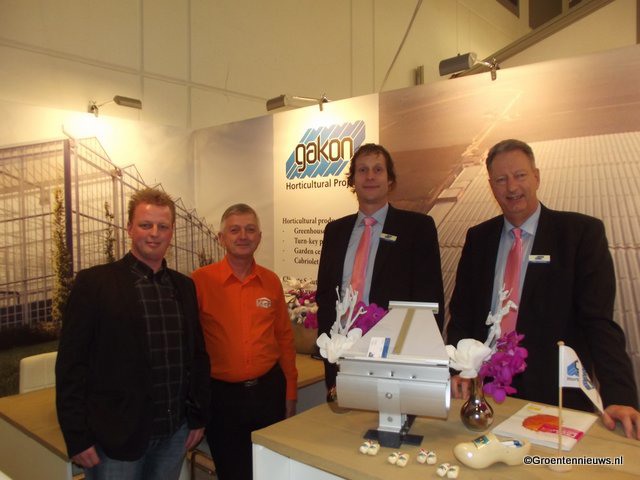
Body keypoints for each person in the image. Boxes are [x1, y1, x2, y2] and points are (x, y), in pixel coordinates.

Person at [447, 138, 640, 440]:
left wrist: (620, 396)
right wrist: (459, 370)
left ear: (536, 177)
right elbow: (461, 314)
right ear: (491, 185)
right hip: (484, 395)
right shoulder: (478, 238)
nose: (512, 187)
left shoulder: (580, 234)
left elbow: (599, 323)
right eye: (501, 179)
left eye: (520, 175)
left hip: (554, 398)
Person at [56, 188, 211, 479]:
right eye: (145, 224)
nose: (154, 233)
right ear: (129, 228)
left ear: (171, 232)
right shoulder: (94, 284)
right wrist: (76, 435)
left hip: (174, 433)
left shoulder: (184, 286)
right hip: (115, 437)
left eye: (163, 226)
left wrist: (197, 417)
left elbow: (197, 357)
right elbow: (71, 366)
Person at [316, 143, 445, 398]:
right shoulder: (335, 232)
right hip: (343, 354)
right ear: (353, 180)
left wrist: (419, 363)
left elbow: (430, 299)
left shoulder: (417, 228)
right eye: (362, 170)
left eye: (378, 169)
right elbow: (326, 298)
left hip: (395, 359)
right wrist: (329, 360)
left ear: (390, 180)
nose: (370, 176)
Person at [192, 203, 297, 480]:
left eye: (250, 230)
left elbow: (284, 338)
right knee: (233, 472)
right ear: (221, 238)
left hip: (268, 393)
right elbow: (191, 346)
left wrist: (290, 391)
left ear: (259, 237)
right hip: (222, 399)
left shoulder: (270, 281)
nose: (243, 236)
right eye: (234, 230)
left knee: (272, 471)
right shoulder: (200, 282)